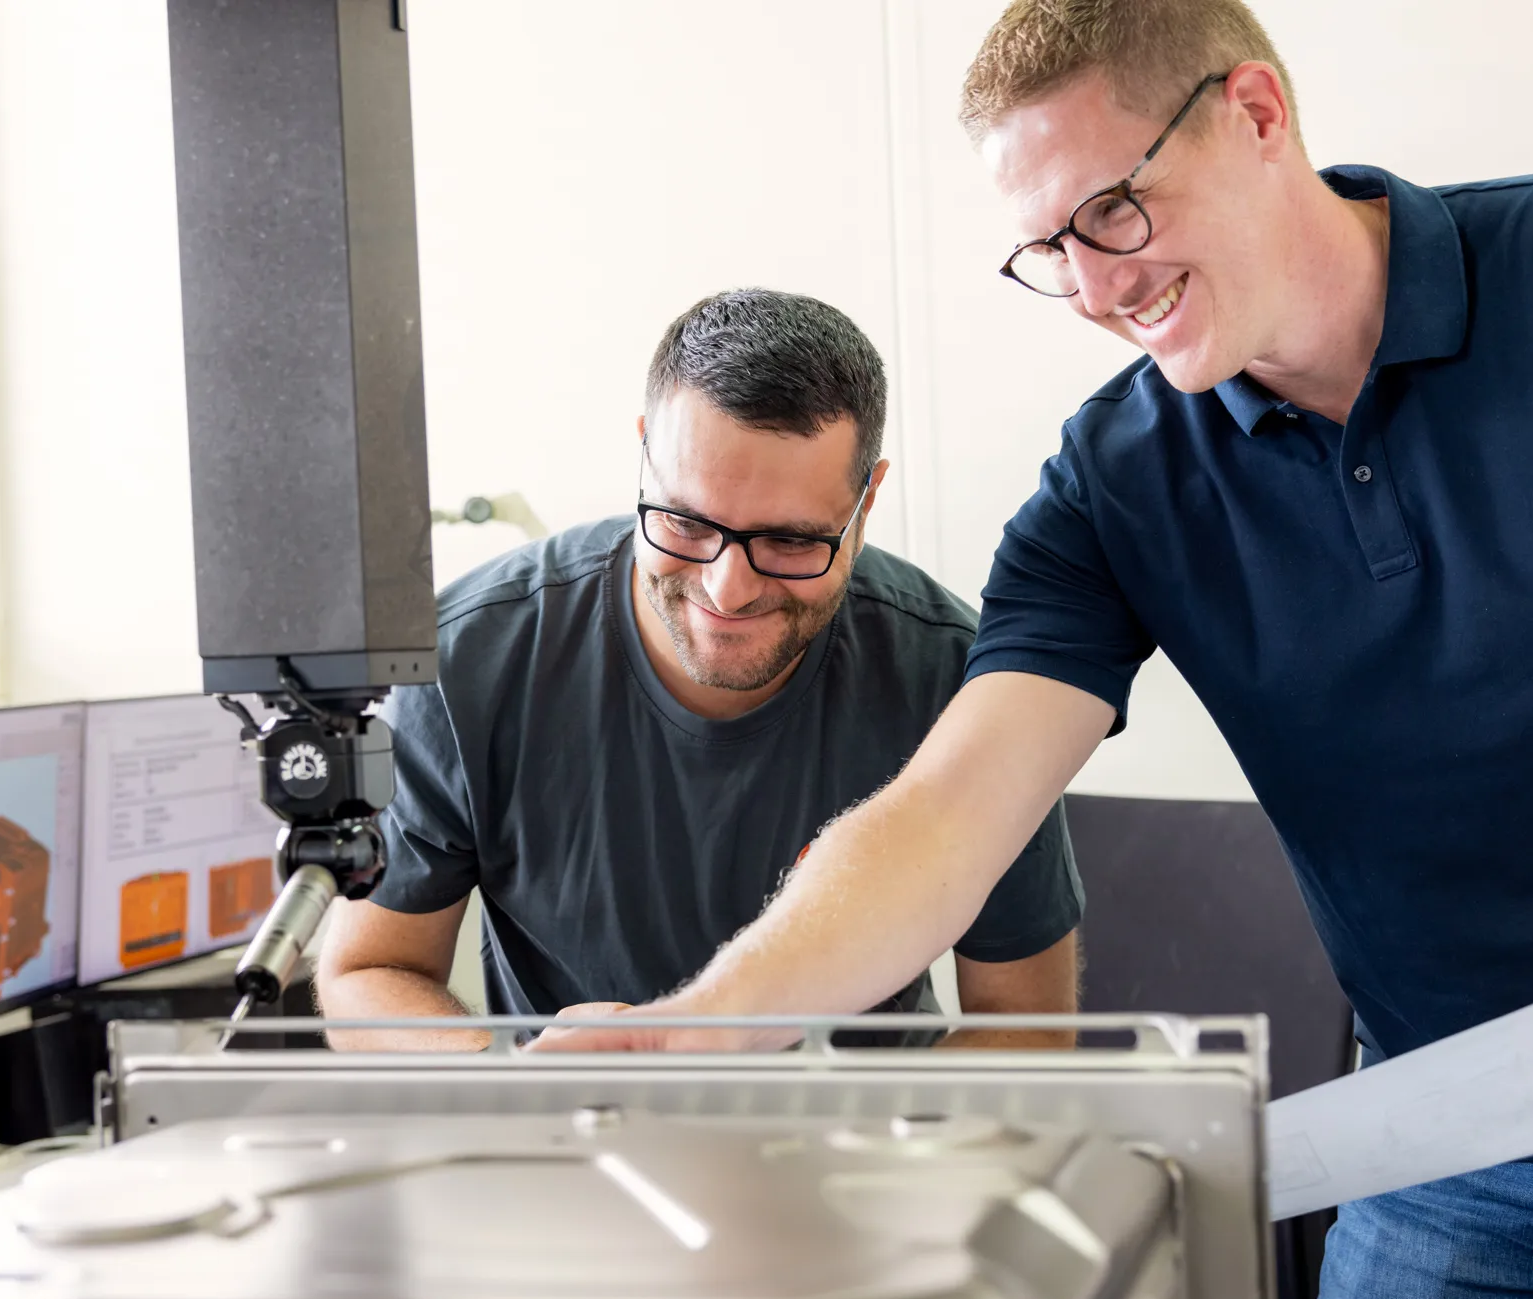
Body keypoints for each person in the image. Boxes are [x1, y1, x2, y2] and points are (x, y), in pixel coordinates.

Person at [533, 3, 1533, 1299]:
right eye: (1049, 250)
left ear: (1259, 114)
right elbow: (946, 817)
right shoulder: (1117, 482)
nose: (1096, 285)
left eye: (1114, 208)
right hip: (1454, 1127)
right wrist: (704, 1024)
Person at [314, 288, 1084, 1052]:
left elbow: (1024, 1023)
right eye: (684, 522)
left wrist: (868, 1156)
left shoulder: (962, 676)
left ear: (866, 500)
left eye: (789, 541)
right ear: (646, 452)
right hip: (570, 1138)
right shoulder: (468, 662)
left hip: (865, 1148)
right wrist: (511, 1079)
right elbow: (366, 968)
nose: (728, 588)